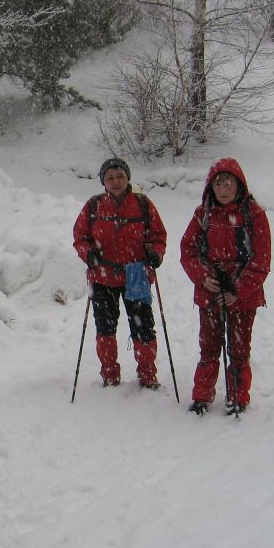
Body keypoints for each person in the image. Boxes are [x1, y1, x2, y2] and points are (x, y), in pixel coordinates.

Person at [180, 157, 271, 415]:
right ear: (211, 186)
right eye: (218, 183)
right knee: (209, 346)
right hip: (209, 291)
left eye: (228, 183)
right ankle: (202, 395)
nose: (223, 189)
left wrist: (238, 290)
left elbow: (261, 261)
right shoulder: (203, 215)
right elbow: (187, 250)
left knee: (239, 348)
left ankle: (238, 397)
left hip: (243, 295)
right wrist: (202, 276)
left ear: (239, 185)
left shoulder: (254, 215)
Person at [72, 157, 167, 389]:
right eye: (110, 177)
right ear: (103, 181)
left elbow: (158, 235)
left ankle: (147, 375)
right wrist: (88, 254)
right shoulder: (94, 206)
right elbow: (80, 237)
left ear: (128, 178)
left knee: (143, 327)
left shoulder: (143, 204)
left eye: (120, 176)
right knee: (105, 328)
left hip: (136, 275)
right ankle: (110, 375)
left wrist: (156, 254)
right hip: (102, 275)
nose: (115, 181)